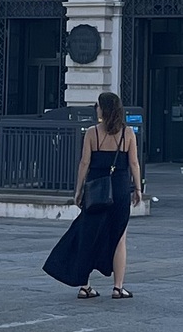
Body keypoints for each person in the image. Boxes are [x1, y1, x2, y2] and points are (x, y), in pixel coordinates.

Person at [44, 90, 142, 300]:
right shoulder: (128, 133)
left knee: (88, 236)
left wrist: (78, 190)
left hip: (96, 187)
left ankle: (85, 285)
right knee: (119, 238)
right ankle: (118, 287)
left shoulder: (91, 133)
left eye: (97, 105)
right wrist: (139, 189)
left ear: (103, 109)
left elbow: (84, 163)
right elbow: (134, 162)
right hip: (120, 187)